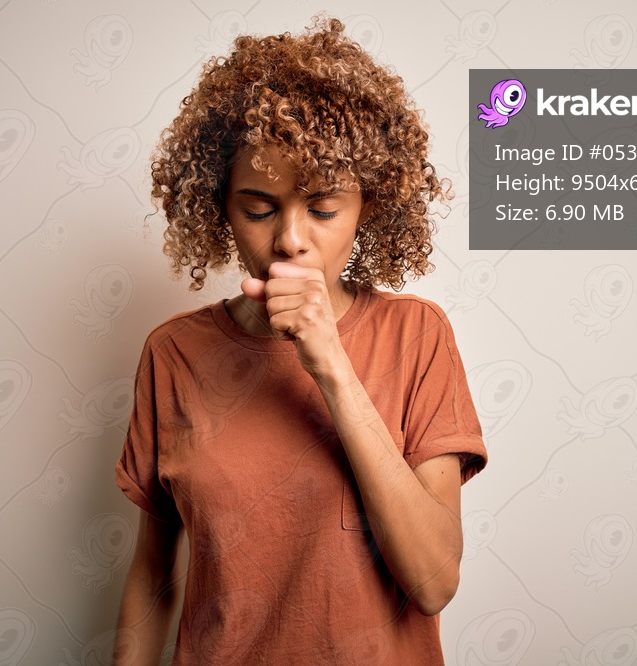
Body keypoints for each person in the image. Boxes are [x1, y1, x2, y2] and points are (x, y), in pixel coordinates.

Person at [114, 16, 487, 665]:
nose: (289, 239)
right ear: (218, 207)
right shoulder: (173, 354)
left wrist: (332, 368)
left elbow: (434, 582)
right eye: (258, 208)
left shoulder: (418, 337)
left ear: (367, 204)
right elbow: (152, 576)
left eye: (321, 208)